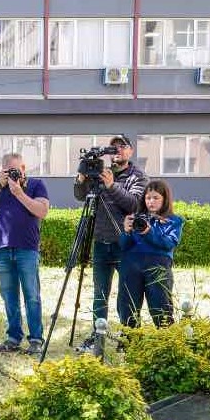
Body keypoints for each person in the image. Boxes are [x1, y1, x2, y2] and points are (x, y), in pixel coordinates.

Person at [72, 135, 146, 350]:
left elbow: (134, 205)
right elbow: (79, 196)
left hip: (126, 244)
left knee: (127, 293)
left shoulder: (138, 177)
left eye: (122, 147)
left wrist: (112, 186)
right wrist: (82, 178)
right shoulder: (101, 172)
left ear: (130, 151)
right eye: (114, 148)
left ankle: (128, 337)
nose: (118, 151)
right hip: (100, 242)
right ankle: (98, 335)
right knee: (100, 294)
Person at [0, 151, 49, 353]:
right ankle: (13, 337)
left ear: (24, 168)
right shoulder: (0, 188)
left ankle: (36, 339)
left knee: (31, 295)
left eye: (17, 169)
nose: (14, 174)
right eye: (9, 171)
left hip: (27, 248)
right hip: (3, 249)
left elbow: (42, 211)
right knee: (9, 296)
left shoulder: (36, 184)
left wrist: (19, 192)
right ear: (2, 171)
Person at [118, 179, 183, 328]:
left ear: (165, 199)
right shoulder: (137, 218)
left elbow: (168, 244)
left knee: (160, 306)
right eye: (148, 198)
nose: (151, 202)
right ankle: (129, 340)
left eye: (156, 198)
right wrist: (126, 232)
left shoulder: (173, 221)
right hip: (131, 267)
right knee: (128, 306)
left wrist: (149, 231)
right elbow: (123, 245)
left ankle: (165, 339)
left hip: (158, 266)